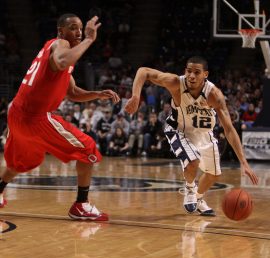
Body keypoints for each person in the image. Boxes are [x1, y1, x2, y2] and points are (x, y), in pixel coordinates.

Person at [0, 14, 120, 221]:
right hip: (34, 117)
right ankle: (81, 205)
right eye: (73, 27)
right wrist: (89, 40)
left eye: (81, 28)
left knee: (23, 161)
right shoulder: (60, 45)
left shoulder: (57, 55)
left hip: (17, 114)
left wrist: (96, 94)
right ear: (60, 31)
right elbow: (63, 60)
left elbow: (72, 92)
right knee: (87, 148)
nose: (78, 32)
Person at [125, 56, 258, 216]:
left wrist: (243, 162)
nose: (192, 76)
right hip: (179, 129)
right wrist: (135, 96)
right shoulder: (175, 83)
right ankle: (189, 188)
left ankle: (199, 198)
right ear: (185, 72)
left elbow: (229, 129)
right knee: (192, 161)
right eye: (189, 71)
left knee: (214, 175)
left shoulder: (214, 95)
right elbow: (143, 71)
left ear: (205, 74)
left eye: (197, 72)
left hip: (204, 134)